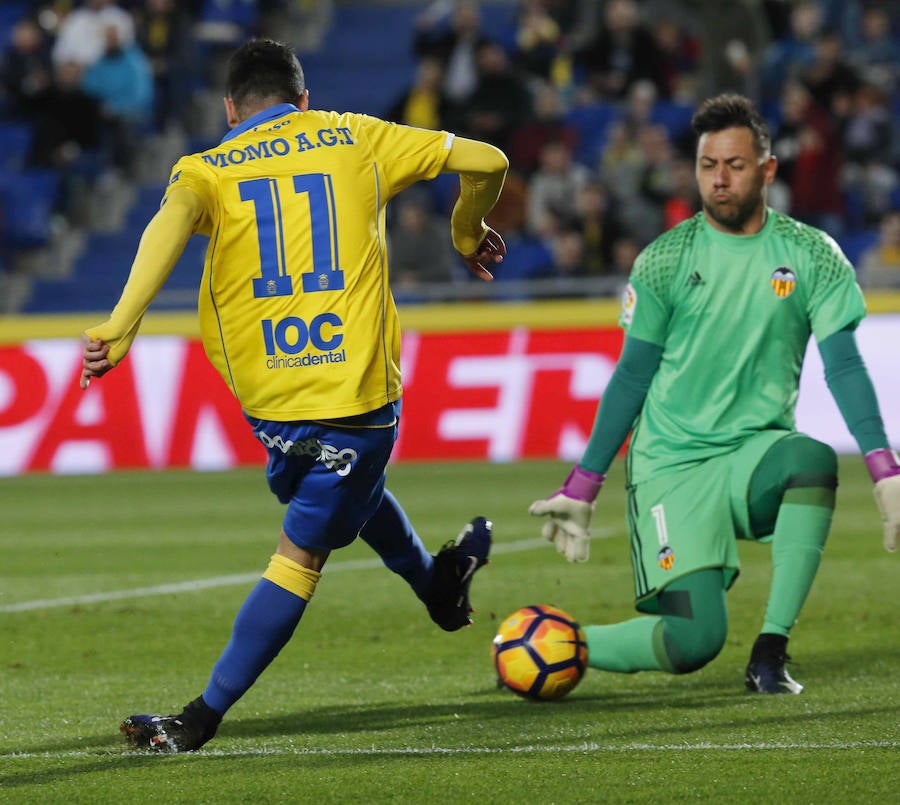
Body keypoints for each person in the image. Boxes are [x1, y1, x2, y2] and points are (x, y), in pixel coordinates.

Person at [79, 37, 508, 753]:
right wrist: (468, 232)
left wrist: (120, 325)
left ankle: (197, 720)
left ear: (229, 110)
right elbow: (489, 161)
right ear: (302, 100)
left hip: (274, 399)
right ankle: (441, 584)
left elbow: (167, 226)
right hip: (355, 388)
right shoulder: (356, 134)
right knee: (350, 491)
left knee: (300, 554)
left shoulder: (206, 167)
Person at [529, 93, 900, 695]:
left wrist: (884, 469)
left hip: (754, 455)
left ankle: (771, 653)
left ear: (767, 170)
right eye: (708, 166)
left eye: (735, 165)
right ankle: (559, 644)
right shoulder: (665, 261)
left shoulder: (813, 256)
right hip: (671, 467)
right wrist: (584, 483)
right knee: (692, 642)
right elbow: (631, 378)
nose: (720, 180)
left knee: (811, 460)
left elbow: (845, 367)